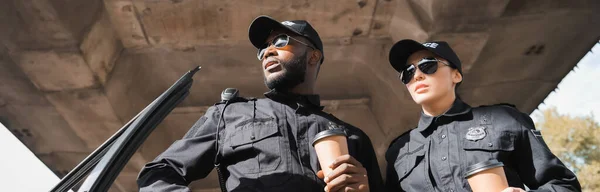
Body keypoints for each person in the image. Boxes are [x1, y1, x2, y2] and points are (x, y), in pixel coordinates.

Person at [137, 15, 383, 192]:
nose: (267, 51)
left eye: (280, 41)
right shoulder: (229, 115)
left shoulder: (352, 137)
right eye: (263, 48)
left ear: (314, 55)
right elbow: (159, 173)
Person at [384, 39, 581, 192]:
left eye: (428, 65)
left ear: (456, 75)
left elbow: (564, 185)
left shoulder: (504, 120)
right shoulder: (398, 152)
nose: (417, 75)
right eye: (407, 72)